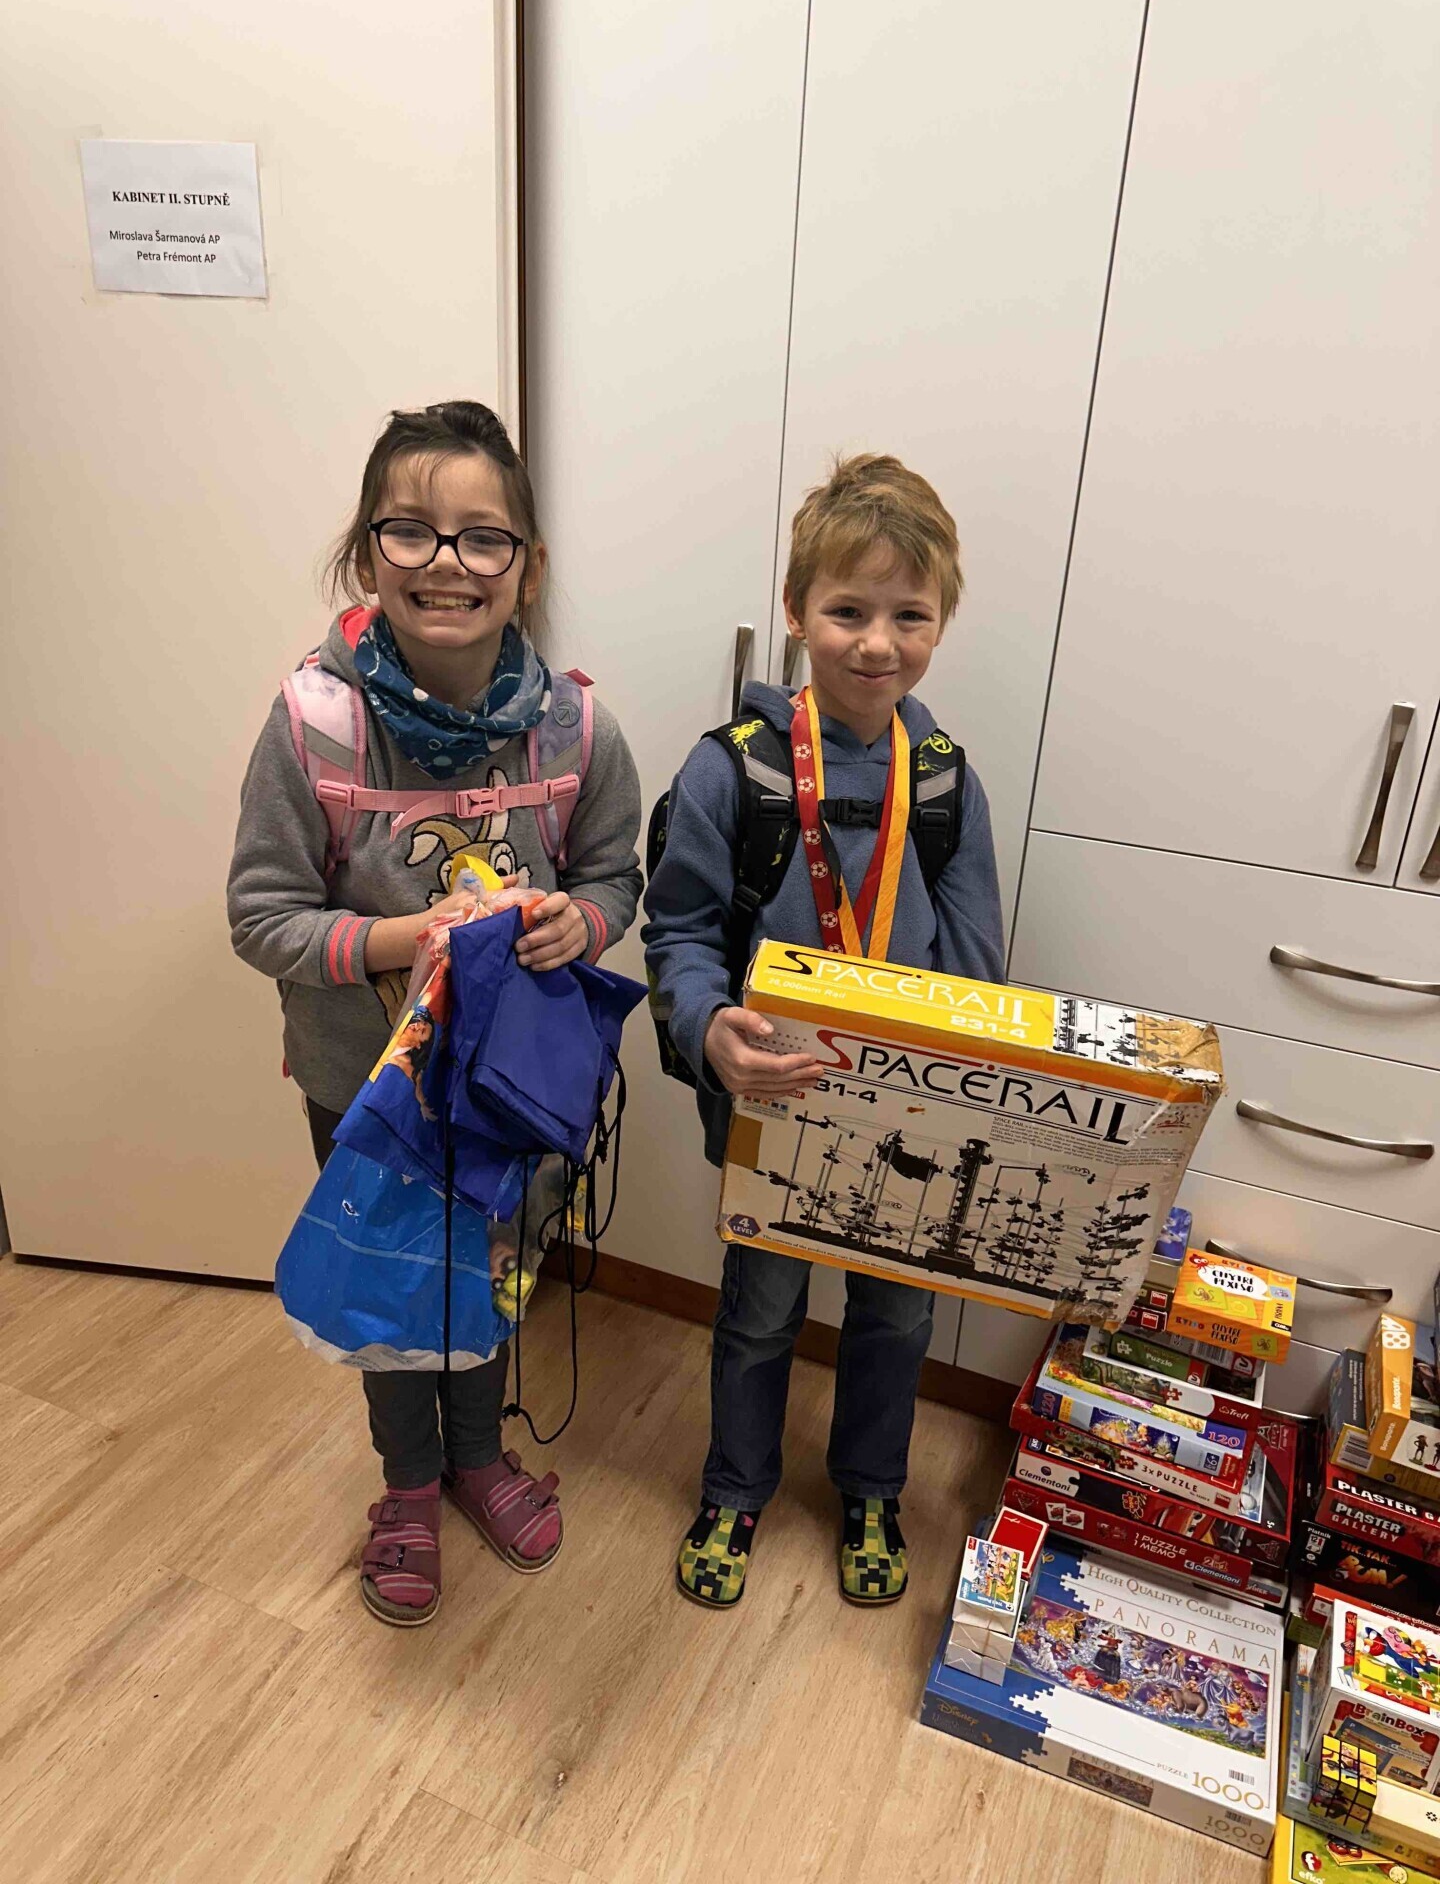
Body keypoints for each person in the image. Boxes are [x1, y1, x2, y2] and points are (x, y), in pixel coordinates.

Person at [228, 400, 642, 1626]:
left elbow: (614, 879)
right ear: (367, 554)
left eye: (482, 537)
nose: (448, 562)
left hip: (507, 1091)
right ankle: (407, 1485)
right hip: (366, 1092)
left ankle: (478, 1458)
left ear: (528, 566)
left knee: (490, 1281)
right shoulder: (315, 724)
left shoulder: (576, 728)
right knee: (388, 1295)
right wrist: (405, 943)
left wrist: (580, 924)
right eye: (410, 531)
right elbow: (261, 918)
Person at [643, 453, 1003, 1609]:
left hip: (912, 1118)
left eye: (910, 615)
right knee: (759, 1310)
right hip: (774, 1099)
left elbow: (981, 969)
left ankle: (871, 1488)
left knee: (898, 1313)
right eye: (848, 611)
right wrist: (708, 1027)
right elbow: (679, 933)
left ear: (942, 622)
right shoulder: (733, 771)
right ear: (796, 611)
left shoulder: (943, 786)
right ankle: (734, 1487)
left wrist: (956, 1081)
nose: (877, 643)